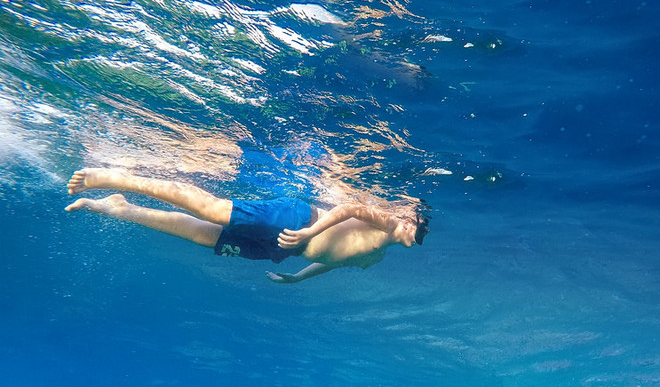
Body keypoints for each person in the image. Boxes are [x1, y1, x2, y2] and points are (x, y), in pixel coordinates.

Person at [65, 168, 429, 284]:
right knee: (212, 210)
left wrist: (296, 279)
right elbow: (351, 207)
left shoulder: (375, 258)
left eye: (423, 234)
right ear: (410, 218)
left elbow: (332, 262)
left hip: (286, 249)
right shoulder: (388, 221)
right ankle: (112, 178)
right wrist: (308, 232)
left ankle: (118, 209)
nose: (420, 234)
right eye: (421, 227)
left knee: (200, 236)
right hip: (298, 221)